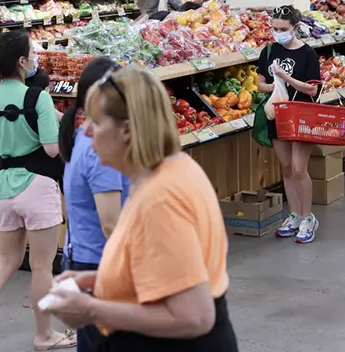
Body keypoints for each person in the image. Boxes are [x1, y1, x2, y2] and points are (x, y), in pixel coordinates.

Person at [45, 66, 238, 351]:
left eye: (96, 122)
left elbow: (195, 316)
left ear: (125, 130)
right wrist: (101, 279)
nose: (85, 130)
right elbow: (165, 271)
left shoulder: (160, 199)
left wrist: (92, 309)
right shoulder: (168, 170)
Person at [0, 30, 75, 352]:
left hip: (5, 186)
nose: (35, 59)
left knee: (5, 260)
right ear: (22, 62)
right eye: (32, 54)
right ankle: (44, 334)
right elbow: (52, 149)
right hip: (38, 185)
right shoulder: (39, 98)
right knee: (41, 266)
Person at [58, 57, 130, 352]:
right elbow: (111, 223)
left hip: (85, 256)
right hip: (101, 265)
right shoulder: (101, 151)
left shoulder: (81, 136)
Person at [257, 5, 321, 243]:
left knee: (298, 169)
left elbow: (313, 89)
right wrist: (274, 86)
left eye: (282, 29)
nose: (277, 33)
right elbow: (259, 84)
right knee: (285, 168)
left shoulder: (308, 54)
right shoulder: (269, 51)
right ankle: (293, 214)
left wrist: (286, 78)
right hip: (278, 114)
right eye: (274, 28)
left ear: (295, 27)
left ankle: (308, 217)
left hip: (302, 115)